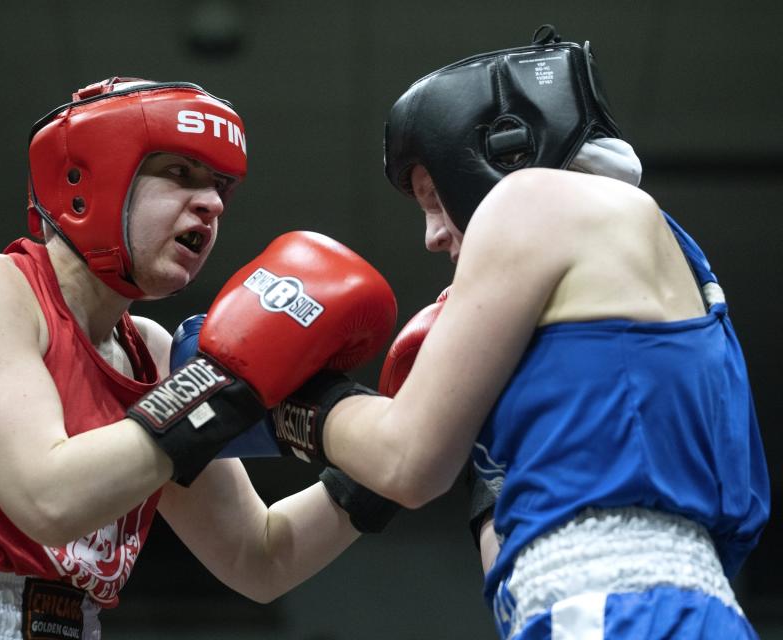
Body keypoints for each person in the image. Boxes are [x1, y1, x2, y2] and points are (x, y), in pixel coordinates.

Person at [0, 77, 399, 640]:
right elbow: (48, 496)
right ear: (93, 177)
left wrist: (387, 457)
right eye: (181, 173)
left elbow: (261, 556)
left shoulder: (153, 354)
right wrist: (220, 386)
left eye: (220, 187)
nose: (210, 202)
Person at [265, 25, 771, 639]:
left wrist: (292, 398)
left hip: (614, 610)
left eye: (432, 196)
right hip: (662, 608)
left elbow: (409, 463)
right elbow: (521, 559)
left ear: (500, 154)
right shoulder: (672, 263)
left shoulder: (532, 197)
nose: (431, 235)